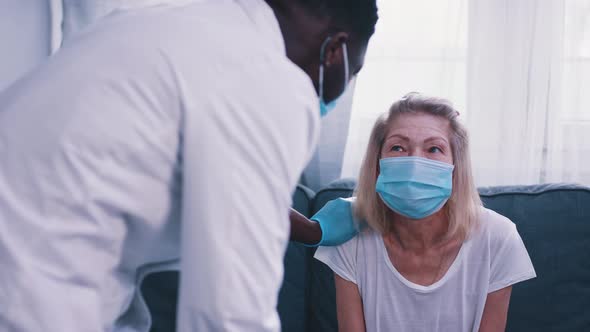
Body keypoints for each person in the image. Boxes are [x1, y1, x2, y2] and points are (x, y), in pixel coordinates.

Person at [0, 0, 378, 331]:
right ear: (335, 50)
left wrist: (311, 231)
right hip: (25, 292)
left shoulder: (166, 27)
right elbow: (228, 314)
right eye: (353, 71)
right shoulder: (268, 77)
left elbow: (229, 196)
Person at [313, 93, 536, 331]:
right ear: (377, 162)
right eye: (398, 147)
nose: (415, 162)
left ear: (455, 165)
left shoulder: (497, 238)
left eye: (434, 149)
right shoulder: (350, 235)